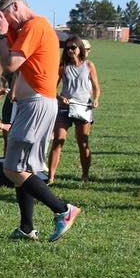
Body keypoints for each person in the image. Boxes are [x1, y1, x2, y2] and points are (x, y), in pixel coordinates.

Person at [0, 0, 81, 241]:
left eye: (6, 16)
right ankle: (26, 227)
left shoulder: (35, 26)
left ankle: (63, 210)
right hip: (34, 103)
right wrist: (4, 31)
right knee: (25, 168)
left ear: (17, 7)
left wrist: (1, 33)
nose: (5, 22)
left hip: (37, 104)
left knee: (12, 169)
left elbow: (8, 65)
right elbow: (10, 58)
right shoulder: (25, 28)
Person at [47, 38, 101, 182]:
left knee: (83, 143)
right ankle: (51, 177)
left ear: (80, 49)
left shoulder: (89, 65)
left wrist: (96, 99)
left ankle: (85, 175)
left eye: (73, 47)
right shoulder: (63, 66)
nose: (70, 50)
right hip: (65, 107)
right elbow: (52, 87)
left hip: (83, 107)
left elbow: (96, 86)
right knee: (58, 140)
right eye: (67, 48)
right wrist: (59, 97)